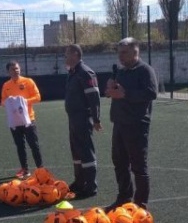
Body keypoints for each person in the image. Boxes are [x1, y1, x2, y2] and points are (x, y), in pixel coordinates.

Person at [104, 37, 158, 211]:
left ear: (135, 52)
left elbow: (151, 93)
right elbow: (115, 93)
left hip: (136, 124)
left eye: (124, 52)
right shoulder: (121, 71)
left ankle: (141, 204)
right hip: (119, 123)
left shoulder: (145, 70)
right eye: (118, 52)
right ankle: (124, 197)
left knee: (138, 165)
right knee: (119, 162)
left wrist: (125, 94)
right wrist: (110, 90)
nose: (120, 56)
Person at [64, 44, 102, 198]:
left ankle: (90, 186)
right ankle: (79, 182)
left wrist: (96, 119)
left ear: (75, 54)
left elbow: (94, 98)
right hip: (73, 119)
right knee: (76, 151)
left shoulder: (85, 72)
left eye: (66, 54)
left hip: (83, 118)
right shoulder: (73, 72)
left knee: (86, 151)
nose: (64, 57)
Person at [0, 61, 43, 179]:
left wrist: (23, 101)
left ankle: (40, 169)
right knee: (20, 145)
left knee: (34, 145)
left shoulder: (28, 81)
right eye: (13, 69)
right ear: (8, 71)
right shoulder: (6, 85)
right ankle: (25, 169)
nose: (16, 71)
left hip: (29, 119)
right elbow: (2, 101)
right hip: (15, 121)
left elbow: (38, 97)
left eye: (17, 68)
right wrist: (9, 102)